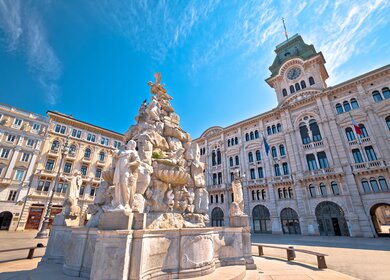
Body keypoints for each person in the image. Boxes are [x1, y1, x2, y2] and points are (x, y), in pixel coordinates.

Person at [112, 140, 140, 210]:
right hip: (118, 170)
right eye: (127, 143)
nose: (127, 145)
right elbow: (114, 154)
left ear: (132, 145)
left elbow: (138, 161)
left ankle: (126, 203)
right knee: (118, 185)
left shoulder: (132, 152)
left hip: (126, 170)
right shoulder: (121, 152)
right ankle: (119, 203)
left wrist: (130, 164)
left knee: (125, 185)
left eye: (129, 144)